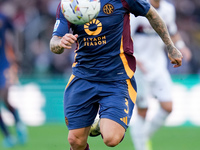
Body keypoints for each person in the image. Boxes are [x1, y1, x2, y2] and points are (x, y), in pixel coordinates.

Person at [50, 0, 183, 149]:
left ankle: (104, 122)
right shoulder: (68, 4)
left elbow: (151, 13)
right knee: (76, 141)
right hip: (83, 76)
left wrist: (171, 46)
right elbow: (54, 42)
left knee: (111, 139)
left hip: (117, 78)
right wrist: (60, 42)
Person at [129, 0, 192, 150]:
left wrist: (182, 47)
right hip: (139, 67)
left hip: (158, 65)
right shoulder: (138, 9)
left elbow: (172, 32)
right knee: (143, 109)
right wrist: (135, 58)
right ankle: (141, 147)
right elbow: (126, 37)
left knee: (168, 107)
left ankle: (143, 136)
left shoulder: (168, 9)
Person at [0, 11, 27, 147]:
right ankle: (8, 136)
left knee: (4, 97)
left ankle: (18, 123)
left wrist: (17, 51)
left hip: (3, 64)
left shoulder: (3, 17)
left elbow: (16, 32)